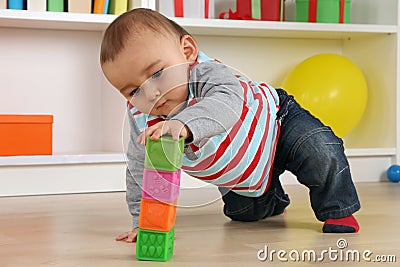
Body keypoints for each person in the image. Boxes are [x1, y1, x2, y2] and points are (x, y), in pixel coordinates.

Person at [100, 8, 361, 243]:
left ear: (187, 52)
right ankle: (272, 197)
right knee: (245, 213)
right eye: (134, 90)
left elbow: (226, 105)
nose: (151, 94)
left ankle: (337, 209)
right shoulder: (143, 119)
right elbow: (141, 170)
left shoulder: (205, 73)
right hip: (241, 163)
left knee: (318, 147)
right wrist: (144, 223)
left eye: (157, 73)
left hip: (276, 122)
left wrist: (184, 124)